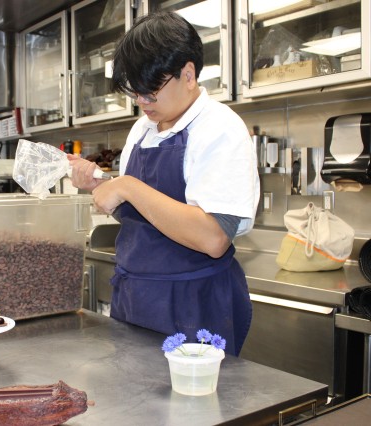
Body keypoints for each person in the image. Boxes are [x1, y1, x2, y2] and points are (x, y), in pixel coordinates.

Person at [68, 12, 259, 356]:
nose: (142, 102)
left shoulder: (219, 129)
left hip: (192, 305)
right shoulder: (142, 129)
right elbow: (142, 214)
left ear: (188, 74)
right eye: (135, 92)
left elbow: (213, 237)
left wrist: (127, 187)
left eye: (150, 91)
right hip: (136, 296)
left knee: (191, 408)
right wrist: (101, 186)